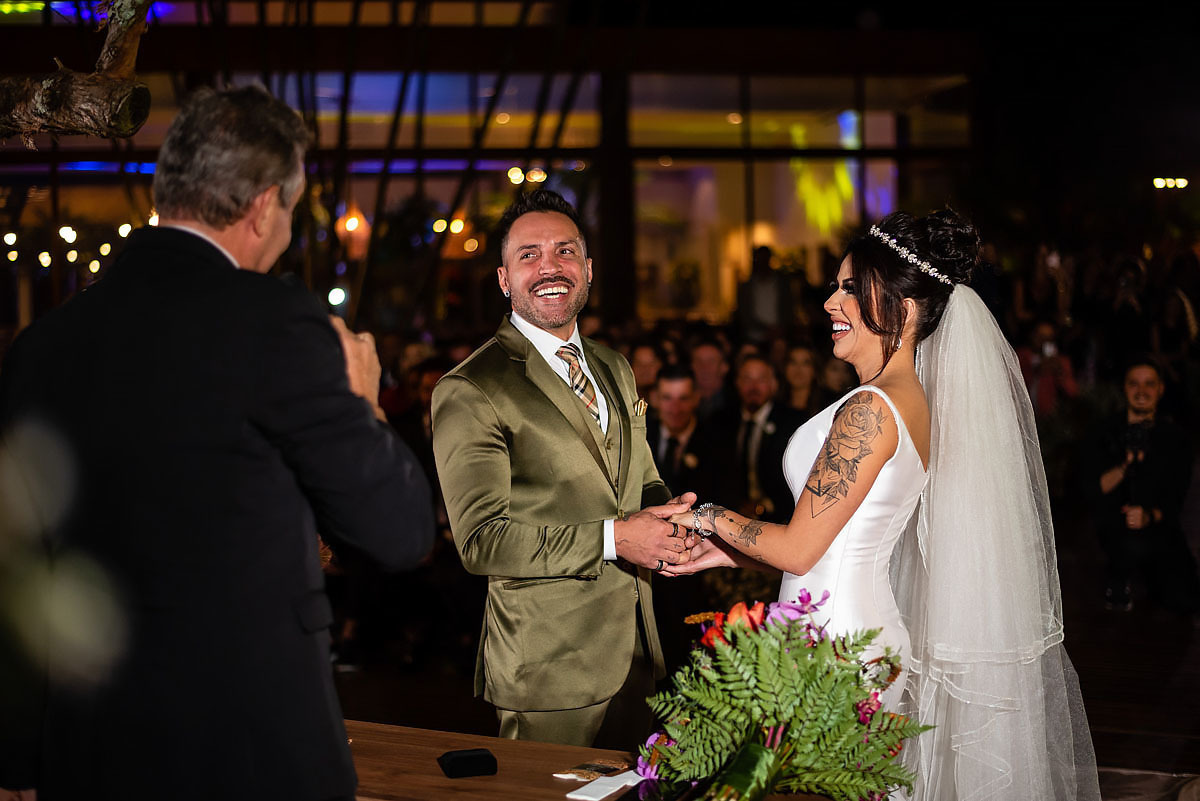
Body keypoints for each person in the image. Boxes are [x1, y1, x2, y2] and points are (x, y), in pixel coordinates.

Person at [0, 86, 434, 801]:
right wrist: (366, 405)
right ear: (264, 205)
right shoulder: (275, 324)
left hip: (89, 752)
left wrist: (17, 755)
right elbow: (398, 531)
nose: (289, 231)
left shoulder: (42, 347)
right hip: (248, 751)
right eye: (292, 210)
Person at [666, 210, 1099, 800]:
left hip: (839, 643)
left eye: (850, 288)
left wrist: (702, 513)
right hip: (846, 625)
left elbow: (800, 547)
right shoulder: (901, 400)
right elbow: (841, 544)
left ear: (907, 307)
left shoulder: (870, 410)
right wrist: (729, 555)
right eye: (835, 286)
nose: (829, 303)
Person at [430, 188, 695, 749]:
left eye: (565, 251)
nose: (549, 267)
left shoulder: (613, 365)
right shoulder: (471, 388)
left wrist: (673, 520)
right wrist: (617, 538)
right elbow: (480, 541)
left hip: (639, 652)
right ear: (504, 279)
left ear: (588, 268)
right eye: (529, 255)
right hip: (547, 667)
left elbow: (641, 479)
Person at [1086, 358, 1199, 613]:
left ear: (1160, 389)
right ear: (1124, 388)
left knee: (1182, 597)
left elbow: (1176, 499)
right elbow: (1093, 489)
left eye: (1149, 384)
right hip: (1113, 527)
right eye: (1134, 384)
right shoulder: (1103, 432)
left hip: (1158, 526)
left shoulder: (1175, 438)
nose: (1141, 391)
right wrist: (1125, 465)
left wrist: (1149, 516)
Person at [711, 354, 804, 525]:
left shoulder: (794, 424)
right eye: (747, 379)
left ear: (774, 384)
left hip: (781, 521)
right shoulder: (720, 423)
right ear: (737, 383)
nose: (753, 387)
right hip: (729, 520)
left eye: (761, 379)